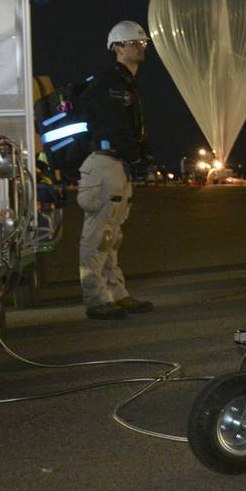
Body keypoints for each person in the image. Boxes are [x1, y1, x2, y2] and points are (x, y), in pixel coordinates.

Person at [76, 20, 156, 321]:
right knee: (97, 235)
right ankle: (96, 299)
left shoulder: (126, 85)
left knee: (112, 234)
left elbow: (131, 127)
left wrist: (141, 156)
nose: (140, 47)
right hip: (105, 164)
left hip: (118, 164)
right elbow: (115, 125)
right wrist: (136, 155)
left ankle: (117, 293)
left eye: (142, 43)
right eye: (134, 42)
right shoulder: (109, 83)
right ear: (117, 48)